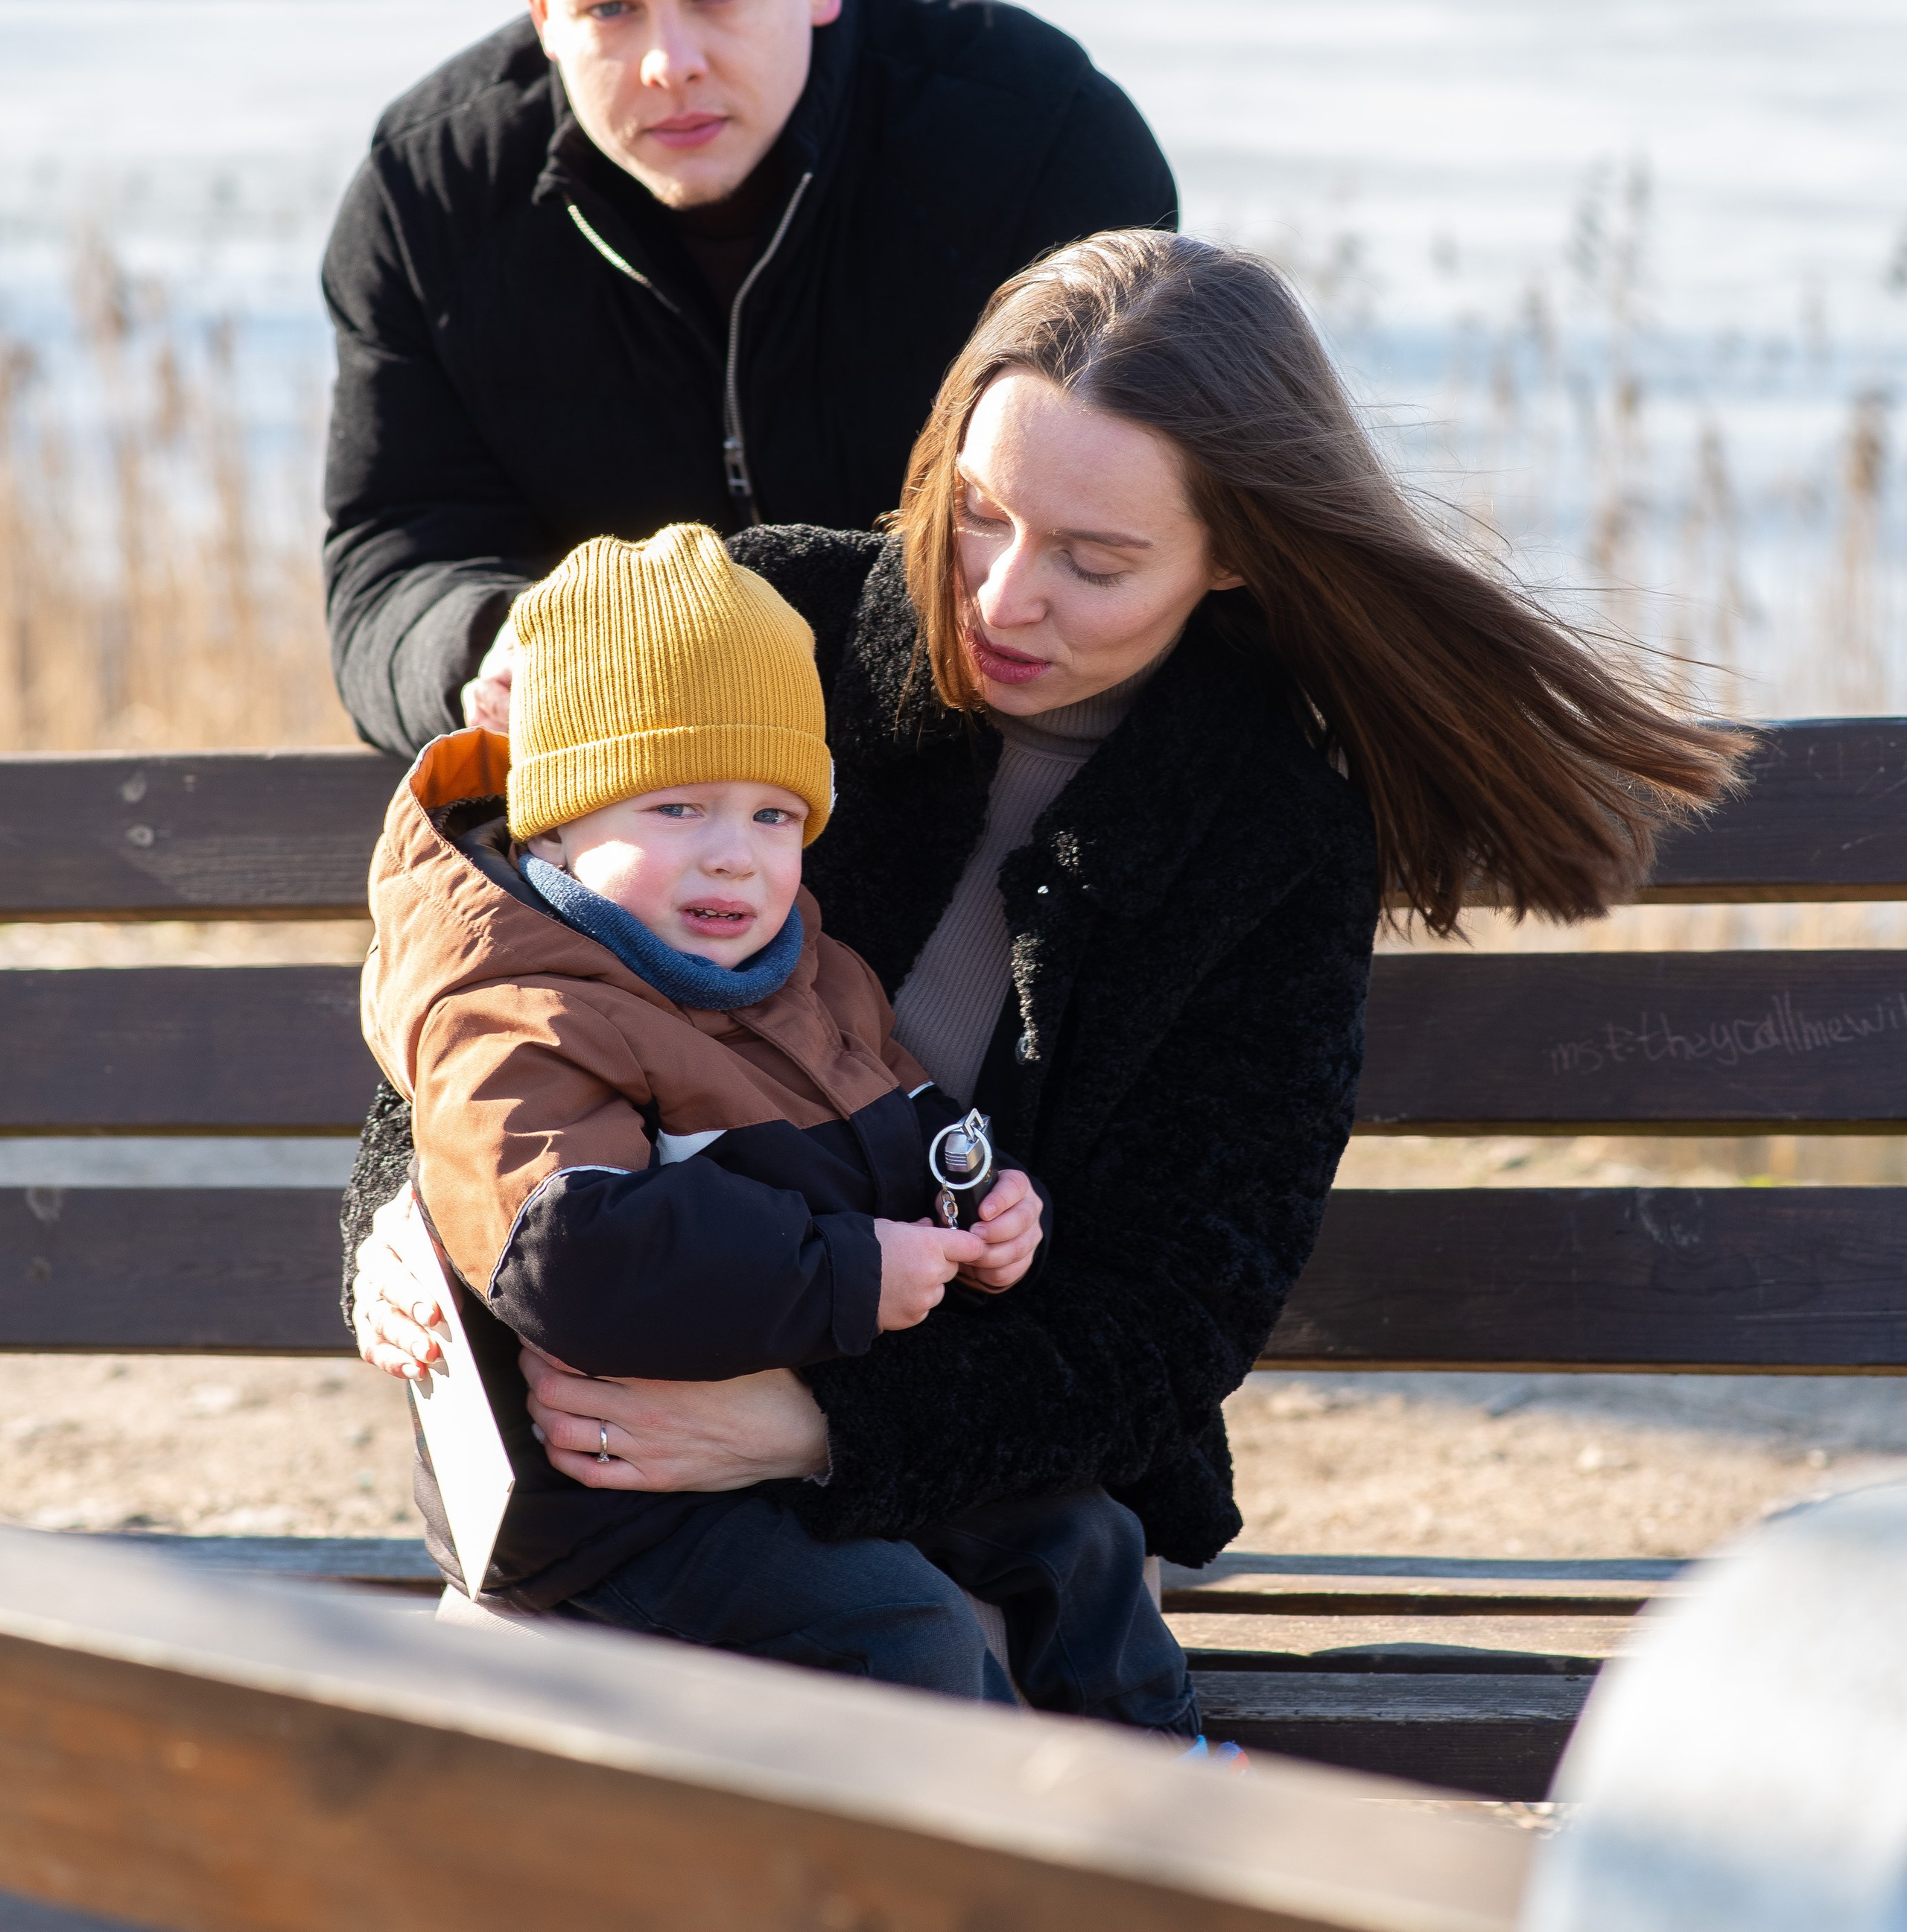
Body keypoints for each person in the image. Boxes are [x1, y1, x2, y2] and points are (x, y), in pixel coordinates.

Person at [352, 229, 1739, 1621]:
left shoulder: (1269, 828)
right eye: (980, 512)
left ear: (1233, 558)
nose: (1005, 597)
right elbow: (498, 963)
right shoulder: (769, 626)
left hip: (996, 1492)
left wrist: (813, 1429)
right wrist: (395, 1227)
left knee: (892, 1658)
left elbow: (1171, 1314)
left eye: (1096, 560)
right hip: (600, 1440)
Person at [364, 518, 1199, 1732]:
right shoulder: (523, 1017)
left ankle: (1162, 1771)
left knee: (1075, 1530)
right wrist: (851, 1269)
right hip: (614, 1507)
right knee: (901, 1624)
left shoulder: (801, 971)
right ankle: (990, 1832)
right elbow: (571, 1253)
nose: (735, 858)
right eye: (678, 806)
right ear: (556, 823)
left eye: (772, 816)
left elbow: (894, 1116)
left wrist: (977, 1198)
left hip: (788, 1406)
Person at [321, 0, 1177, 760]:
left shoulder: (1040, 139)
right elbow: (394, 549)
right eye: (609, 8)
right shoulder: (427, 194)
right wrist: (491, 647)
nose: (668, 62)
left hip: (981, 759)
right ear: (542, 8)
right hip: (620, 787)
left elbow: (1135, 525)